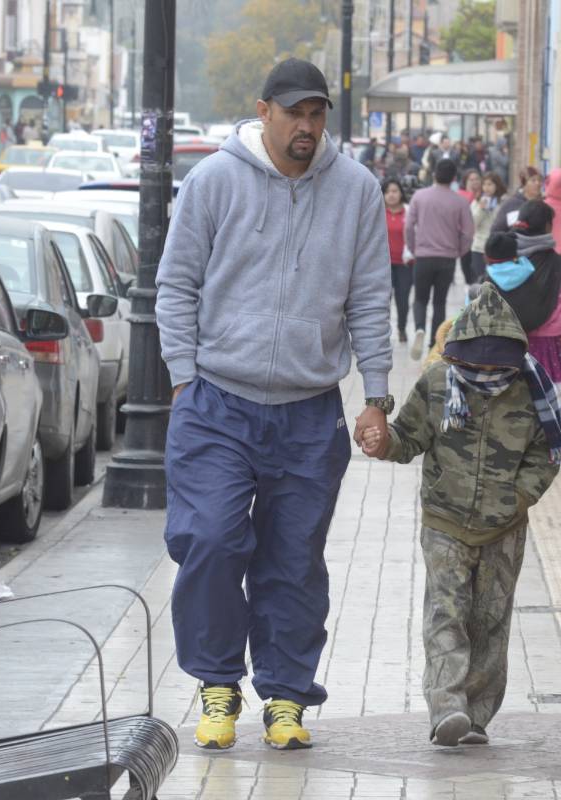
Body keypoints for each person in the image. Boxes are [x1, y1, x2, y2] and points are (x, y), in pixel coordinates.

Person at [155, 57, 393, 753]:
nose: (308, 128)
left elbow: (371, 300)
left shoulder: (356, 191)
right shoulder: (213, 181)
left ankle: (287, 696)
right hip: (216, 403)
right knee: (208, 540)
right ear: (264, 112)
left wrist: (376, 396)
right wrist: (181, 380)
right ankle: (218, 682)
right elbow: (176, 286)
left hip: (310, 409)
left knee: (293, 560)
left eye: (318, 115)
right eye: (295, 113)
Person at [360, 281, 561, 747]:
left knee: (489, 621)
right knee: (446, 614)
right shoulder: (437, 383)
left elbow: (547, 455)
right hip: (444, 523)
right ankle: (447, 707)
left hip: (505, 529)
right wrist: (383, 442)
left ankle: (476, 716)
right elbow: (409, 438)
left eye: (497, 366)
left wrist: (518, 498)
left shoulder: (533, 388)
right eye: (476, 364)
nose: (486, 373)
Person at [481, 202, 561, 454]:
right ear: (547, 226)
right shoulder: (559, 264)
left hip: (509, 345)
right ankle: (556, 443)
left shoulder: (503, 255)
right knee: (550, 395)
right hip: (548, 349)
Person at [404, 157, 474, 361]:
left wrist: (413, 247)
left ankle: (418, 328)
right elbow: (468, 233)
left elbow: (409, 226)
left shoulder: (419, 196)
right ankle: (435, 343)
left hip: (423, 256)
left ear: (434, 174)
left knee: (420, 299)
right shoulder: (460, 201)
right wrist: (459, 251)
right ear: (454, 178)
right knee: (440, 302)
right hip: (447, 258)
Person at [384, 178, 413, 343]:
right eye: (388, 192)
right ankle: (383, 332)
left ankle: (402, 329)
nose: (391, 195)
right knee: (383, 301)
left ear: (401, 193)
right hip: (383, 265)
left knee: (403, 299)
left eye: (395, 191)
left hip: (404, 263)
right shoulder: (378, 211)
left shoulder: (409, 212)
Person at [470, 171, 505, 284]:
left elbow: (502, 223)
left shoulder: (502, 202)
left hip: (496, 247)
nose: (487, 188)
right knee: (481, 281)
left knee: (495, 283)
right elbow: (472, 224)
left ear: (496, 185)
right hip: (479, 247)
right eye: (484, 184)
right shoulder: (476, 202)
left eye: (490, 184)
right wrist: (481, 209)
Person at [491, 166, 543, 233]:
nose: (538, 183)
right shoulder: (511, 204)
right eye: (533, 180)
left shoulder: (543, 204)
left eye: (540, 180)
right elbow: (496, 230)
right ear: (524, 183)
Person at [457, 169, 483, 284]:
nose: (474, 182)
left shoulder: (485, 195)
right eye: (471, 180)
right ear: (465, 181)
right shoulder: (460, 195)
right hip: (466, 238)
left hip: (480, 238)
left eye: (477, 179)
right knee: (467, 268)